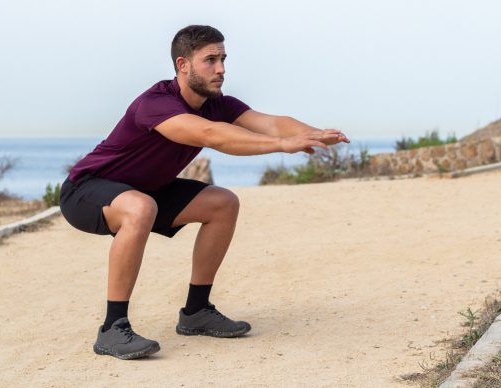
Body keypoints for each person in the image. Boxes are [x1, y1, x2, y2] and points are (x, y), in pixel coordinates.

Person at [59, 25, 350, 360]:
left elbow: (270, 122)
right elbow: (212, 135)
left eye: (223, 58)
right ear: (183, 65)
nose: (222, 69)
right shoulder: (155, 104)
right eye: (210, 60)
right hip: (86, 189)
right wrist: (284, 145)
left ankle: (196, 312)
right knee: (140, 208)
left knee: (222, 203)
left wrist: (313, 133)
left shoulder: (217, 104)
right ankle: (112, 328)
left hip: (147, 191)